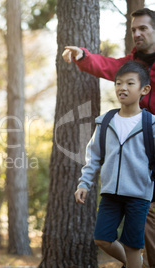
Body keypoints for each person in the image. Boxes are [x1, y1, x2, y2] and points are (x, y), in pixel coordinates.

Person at [64, 8, 155, 267]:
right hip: (125, 180)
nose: (137, 33)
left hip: (146, 160)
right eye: (133, 29)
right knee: (133, 239)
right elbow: (109, 66)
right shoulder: (132, 66)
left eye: (143, 29)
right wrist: (84, 55)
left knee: (142, 235)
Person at [74, 61, 154, 268]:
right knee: (102, 238)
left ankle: (135, 262)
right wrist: (84, 184)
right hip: (110, 194)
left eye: (129, 83)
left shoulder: (151, 124)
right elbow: (94, 155)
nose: (122, 88)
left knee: (132, 246)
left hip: (139, 195)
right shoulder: (105, 121)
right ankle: (137, 264)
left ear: (144, 89)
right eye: (118, 83)